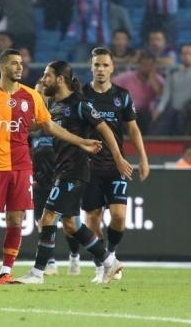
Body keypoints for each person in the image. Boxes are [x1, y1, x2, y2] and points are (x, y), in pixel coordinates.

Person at [0, 49, 104, 285]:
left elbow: (49, 126)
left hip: (21, 167)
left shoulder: (31, 96)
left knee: (15, 221)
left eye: (21, 63)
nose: (19, 67)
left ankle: (5, 271)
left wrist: (81, 141)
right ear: (2, 67)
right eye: (14, 63)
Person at [12, 60, 131, 285]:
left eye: (47, 75)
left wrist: (117, 157)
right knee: (72, 225)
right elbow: (39, 125)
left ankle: (37, 273)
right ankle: (110, 261)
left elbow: (104, 128)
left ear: (60, 79)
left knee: (47, 217)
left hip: (74, 170)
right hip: (61, 169)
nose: (43, 80)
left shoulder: (79, 104)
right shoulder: (52, 104)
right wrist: (13, 121)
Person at [66, 48, 150, 282]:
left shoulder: (122, 95)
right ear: (91, 67)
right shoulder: (81, 95)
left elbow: (132, 128)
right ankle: (100, 266)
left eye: (105, 65)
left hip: (116, 165)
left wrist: (143, 158)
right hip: (88, 167)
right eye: (97, 65)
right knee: (92, 218)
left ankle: (111, 255)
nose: (101, 69)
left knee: (119, 216)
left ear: (112, 68)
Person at [29, 80, 58, 276]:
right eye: (35, 93)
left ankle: (79, 258)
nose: (38, 97)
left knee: (72, 224)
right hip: (40, 182)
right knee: (42, 221)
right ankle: (50, 262)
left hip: (60, 180)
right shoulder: (32, 125)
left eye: (41, 93)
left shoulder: (59, 119)